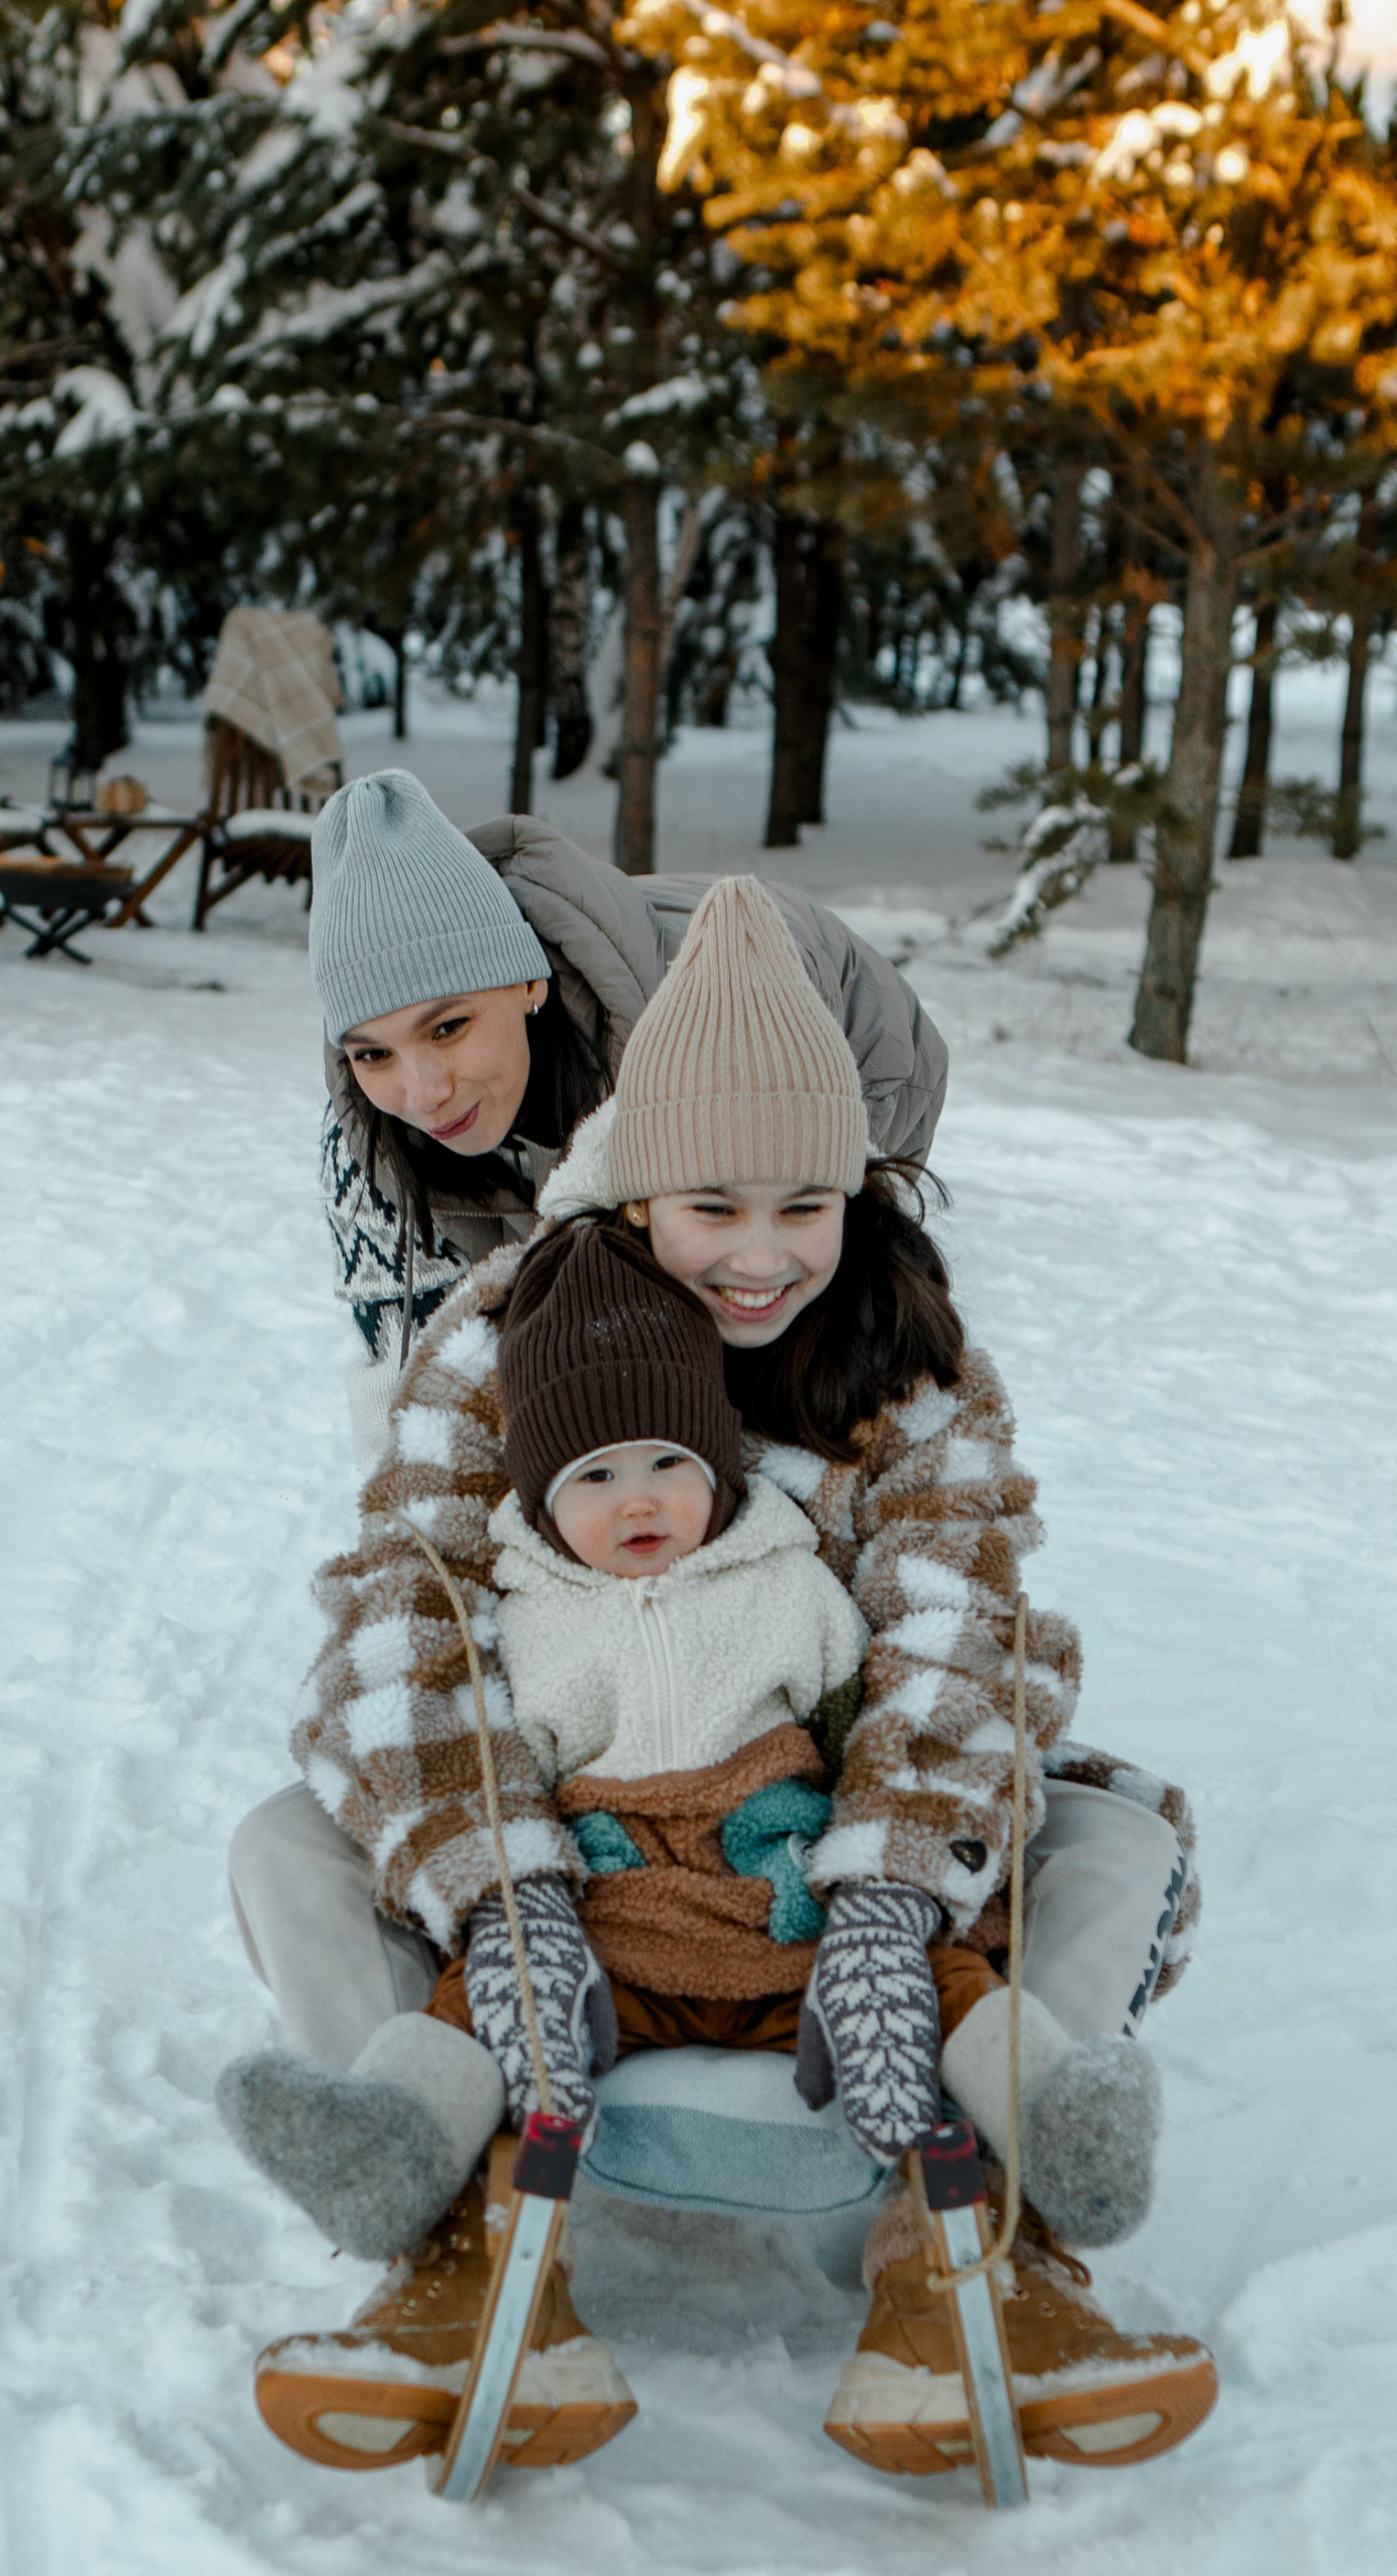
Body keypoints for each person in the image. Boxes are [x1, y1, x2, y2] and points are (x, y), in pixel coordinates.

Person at [222, 850, 1210, 2480]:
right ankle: (457, 2255)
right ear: (631, 1201)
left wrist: (890, 1893)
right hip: (576, 1851)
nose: (760, 1259)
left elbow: (966, 1638)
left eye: (803, 1208)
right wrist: (504, 1891)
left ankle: (975, 2248)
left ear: (857, 1199)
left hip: (817, 1867)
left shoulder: (908, 1361)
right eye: (711, 1212)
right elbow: (408, 1620)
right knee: (285, 1841)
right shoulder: (502, 1333)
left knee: (1112, 1840)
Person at [309, 767, 949, 1472]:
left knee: (761, 1323)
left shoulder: (685, 1056)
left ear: (528, 982)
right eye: (374, 1052)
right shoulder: (367, 1129)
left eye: (448, 1028)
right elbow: (412, 1386)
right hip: (609, 1070)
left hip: (854, 1040)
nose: (422, 1091)